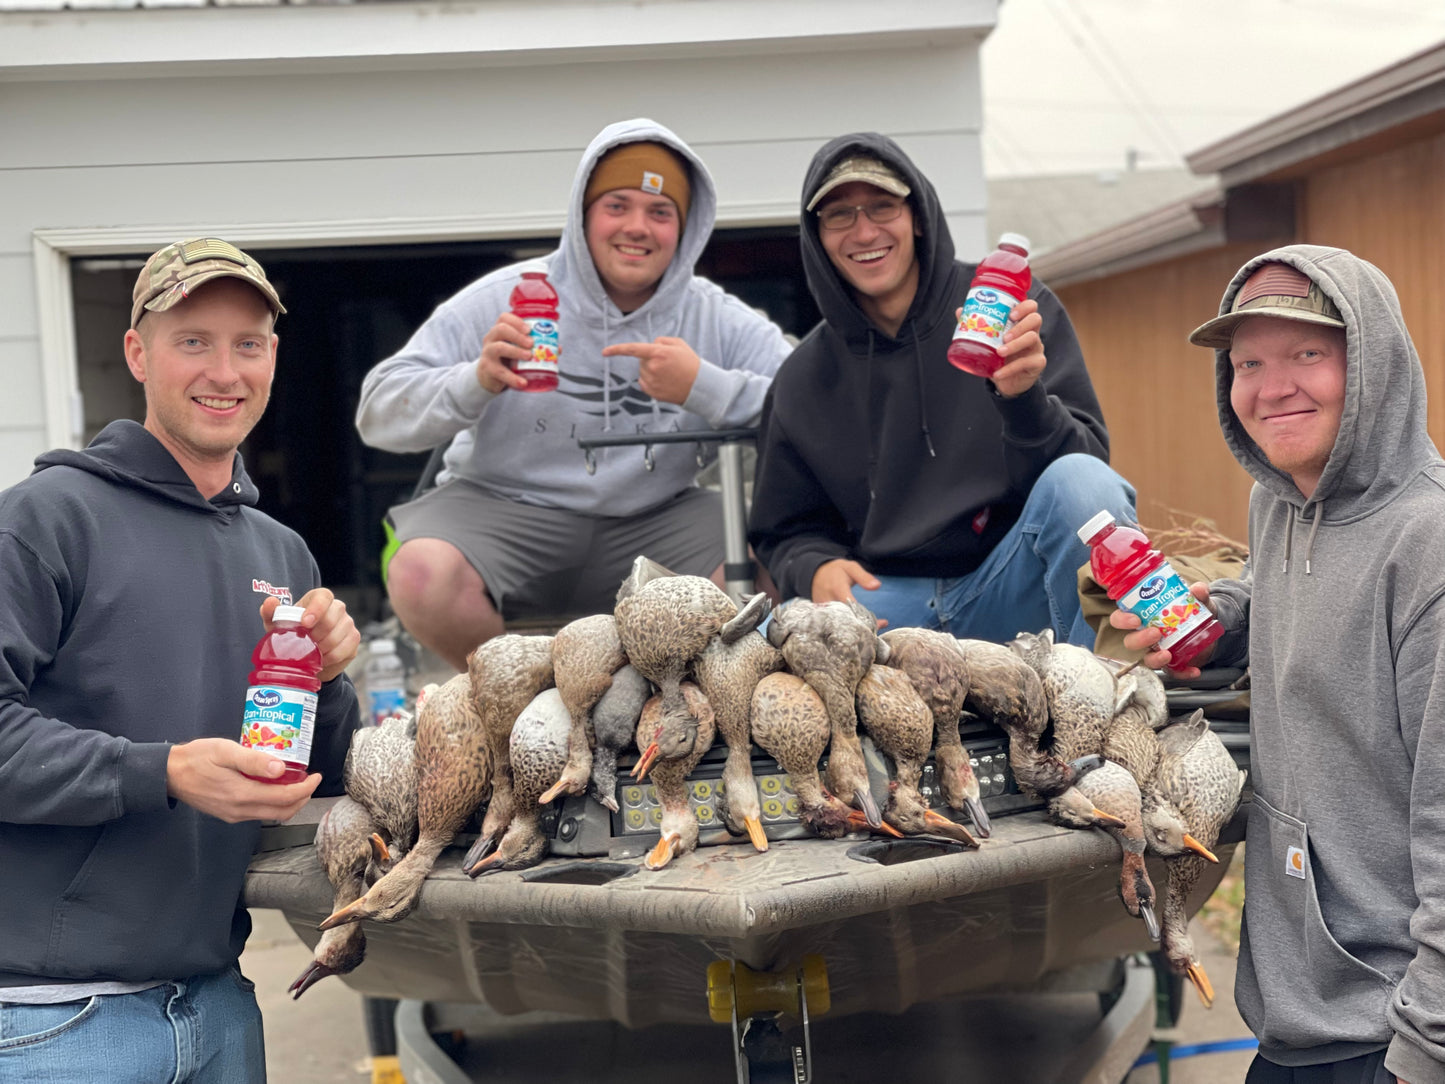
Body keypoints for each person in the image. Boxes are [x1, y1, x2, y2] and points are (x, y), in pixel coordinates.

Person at [0, 238, 361, 1082]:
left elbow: (317, 772)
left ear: (273, 358)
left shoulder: (280, 552)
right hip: (54, 1021)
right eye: (192, 341)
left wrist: (329, 679)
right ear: (138, 353)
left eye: (248, 344)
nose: (224, 372)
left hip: (218, 1004)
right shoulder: (45, 519)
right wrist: (160, 771)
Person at [1115, 247, 1445, 1084]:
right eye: (1247, 364)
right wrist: (1221, 622)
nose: (1272, 388)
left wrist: (1423, 1050)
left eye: (1306, 353)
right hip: (1293, 1012)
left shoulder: (1428, 546)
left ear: (1372, 365)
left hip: (1391, 1030)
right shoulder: (1280, 505)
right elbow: (1293, 591)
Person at [357, 118, 791, 670]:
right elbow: (378, 413)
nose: (637, 227)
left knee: (777, 552)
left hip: (658, 515)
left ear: (686, 229)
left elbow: (810, 408)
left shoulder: (714, 315)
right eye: (616, 206)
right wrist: (476, 380)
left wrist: (706, 386)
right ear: (582, 214)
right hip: (506, 508)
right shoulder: (510, 297)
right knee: (421, 571)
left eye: (660, 212)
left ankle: (686, 697)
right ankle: (513, 696)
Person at [747, 133, 1135, 644]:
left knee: (1084, 480)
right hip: (887, 606)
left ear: (918, 216)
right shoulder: (802, 376)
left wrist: (1024, 400)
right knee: (768, 631)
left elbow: (1086, 481)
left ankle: (1100, 682)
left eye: (883, 206)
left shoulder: (1006, 309)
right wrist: (813, 566)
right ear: (816, 235)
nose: (864, 231)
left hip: (1014, 583)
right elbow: (784, 529)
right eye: (839, 214)